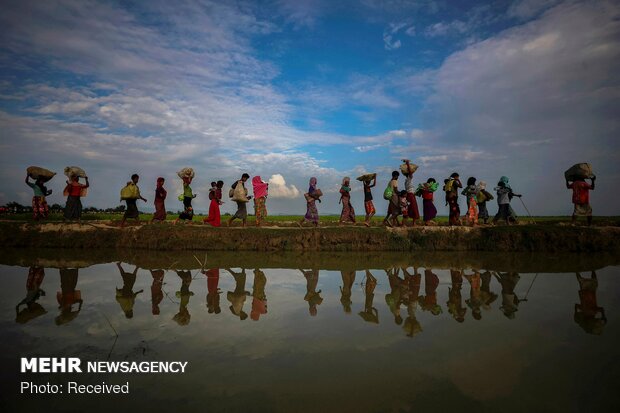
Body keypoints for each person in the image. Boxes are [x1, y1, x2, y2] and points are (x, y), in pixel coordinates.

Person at [403, 159, 420, 226]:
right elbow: (410, 172)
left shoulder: (406, 180)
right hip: (410, 195)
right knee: (413, 208)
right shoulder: (409, 179)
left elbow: (410, 173)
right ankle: (413, 223)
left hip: (409, 195)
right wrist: (407, 163)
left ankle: (409, 223)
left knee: (410, 208)